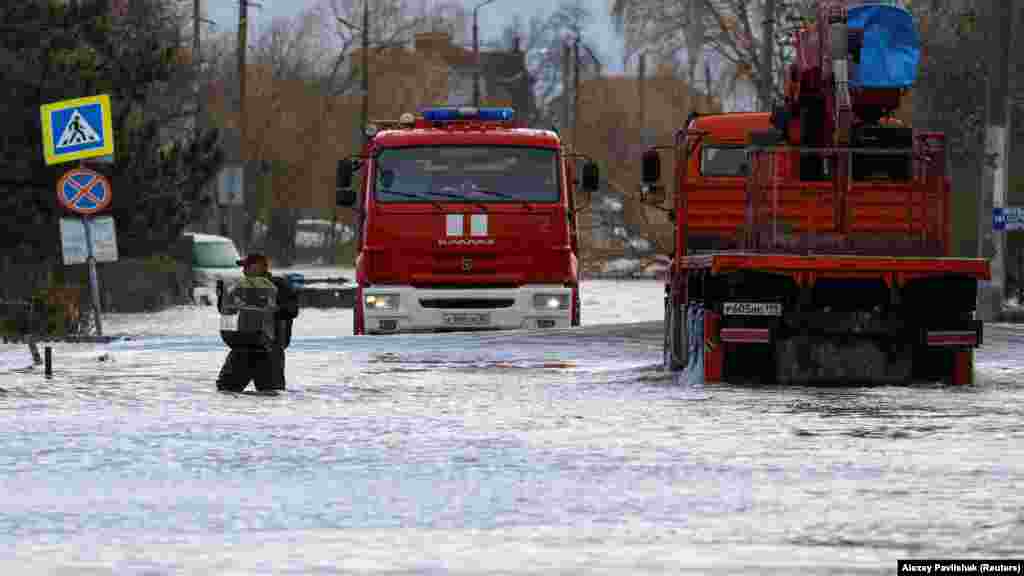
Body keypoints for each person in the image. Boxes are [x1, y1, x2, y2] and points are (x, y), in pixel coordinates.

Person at [216, 253, 299, 393]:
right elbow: (227, 311)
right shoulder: (241, 286)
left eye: (247, 267)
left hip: (269, 350)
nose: (243, 271)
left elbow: (292, 311)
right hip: (242, 346)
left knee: (270, 393)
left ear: (258, 267)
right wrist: (222, 295)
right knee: (225, 390)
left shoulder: (279, 285)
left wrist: (272, 310)